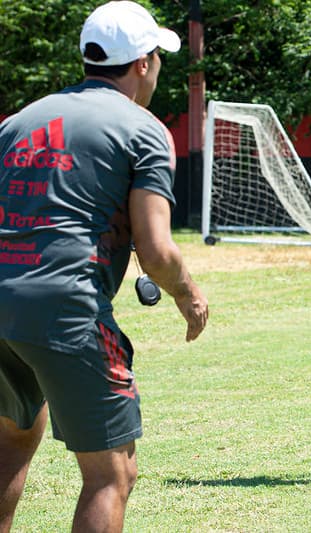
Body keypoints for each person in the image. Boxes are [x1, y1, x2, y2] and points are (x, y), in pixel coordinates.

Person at [0, 2, 208, 530]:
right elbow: (158, 250)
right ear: (143, 63)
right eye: (157, 57)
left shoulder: (19, 120)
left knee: (13, 439)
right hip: (66, 309)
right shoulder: (145, 129)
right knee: (111, 474)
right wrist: (189, 298)